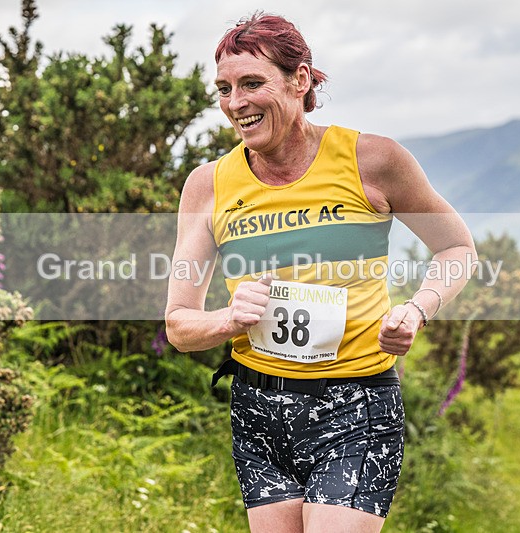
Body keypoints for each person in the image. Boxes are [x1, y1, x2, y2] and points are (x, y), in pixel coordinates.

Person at [165, 12, 476, 533]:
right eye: (224, 88)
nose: (235, 103)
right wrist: (228, 321)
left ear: (300, 80)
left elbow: (457, 248)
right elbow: (178, 325)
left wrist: (417, 309)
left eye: (252, 83)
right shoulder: (208, 185)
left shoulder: (373, 160)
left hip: (357, 404)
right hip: (258, 409)